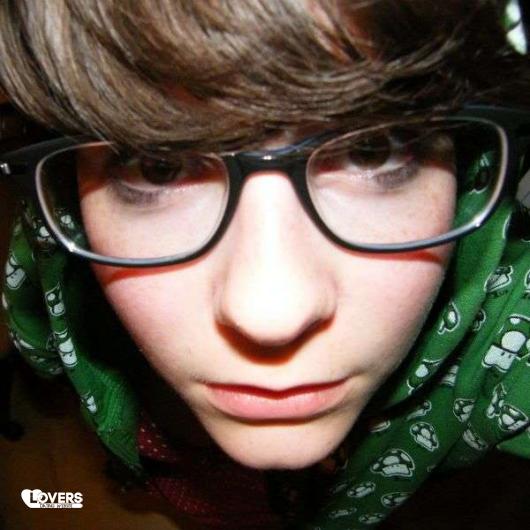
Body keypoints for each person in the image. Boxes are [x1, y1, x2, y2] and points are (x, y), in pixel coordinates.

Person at [0, 1, 529, 528]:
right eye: (160, 168)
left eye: (372, 150)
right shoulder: (53, 239)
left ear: (470, 164)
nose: (271, 315)